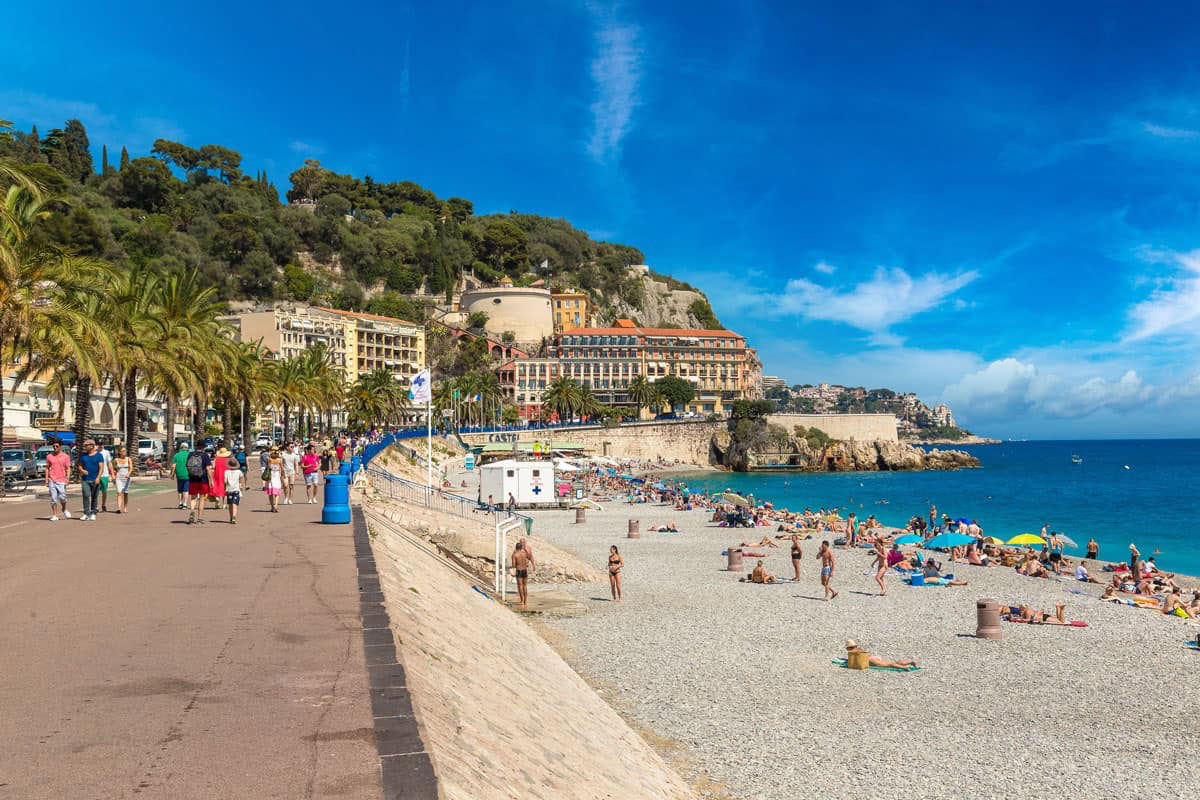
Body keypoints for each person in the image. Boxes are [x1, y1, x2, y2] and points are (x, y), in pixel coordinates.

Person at [76, 439, 105, 521]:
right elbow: (79, 466)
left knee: (94, 497)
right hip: (85, 479)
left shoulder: (99, 455)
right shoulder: (83, 456)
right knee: (86, 495)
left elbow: (101, 468)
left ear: (92, 446)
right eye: (85, 445)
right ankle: (86, 513)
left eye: (87, 445)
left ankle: (93, 513)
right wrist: (82, 470)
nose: (85, 447)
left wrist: (98, 477)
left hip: (95, 479)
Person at [44, 439, 72, 521]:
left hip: (61, 480)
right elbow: (47, 468)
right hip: (52, 479)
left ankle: (64, 509)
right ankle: (55, 515)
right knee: (53, 498)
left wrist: (67, 478)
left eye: (57, 446)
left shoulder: (65, 457)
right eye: (54, 446)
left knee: (62, 497)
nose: (55, 448)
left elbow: (68, 468)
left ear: (60, 447)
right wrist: (46, 480)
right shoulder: (49, 456)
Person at [845, 640, 917, 670]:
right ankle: (909, 662)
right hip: (872, 657)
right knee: (893, 662)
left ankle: (905, 668)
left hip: (870, 660)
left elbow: (854, 660)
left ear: (849, 647)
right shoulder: (859, 648)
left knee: (890, 664)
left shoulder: (852, 651)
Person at [185, 445, 213, 525]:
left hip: (192, 479)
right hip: (203, 480)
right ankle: (200, 518)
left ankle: (192, 510)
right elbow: (208, 469)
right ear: (203, 447)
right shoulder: (205, 455)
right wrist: (211, 480)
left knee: (193, 497)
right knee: (202, 498)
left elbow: (187, 466)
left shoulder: (190, 454)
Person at [112, 446, 133, 514]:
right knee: (119, 492)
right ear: (119, 452)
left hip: (127, 479)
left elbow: (131, 468)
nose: (125, 452)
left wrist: (128, 474)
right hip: (119, 478)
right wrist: (113, 475)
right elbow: (113, 468)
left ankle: (125, 507)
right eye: (123, 451)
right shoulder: (116, 460)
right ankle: (119, 508)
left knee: (126, 493)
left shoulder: (128, 459)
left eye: (125, 451)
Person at [512, 541, 532, 606]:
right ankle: (525, 602)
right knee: (525, 586)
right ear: (521, 548)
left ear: (515, 548)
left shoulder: (515, 555)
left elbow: (514, 565)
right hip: (525, 570)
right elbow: (528, 560)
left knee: (520, 586)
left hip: (519, 570)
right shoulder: (524, 553)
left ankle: (522, 600)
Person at [173, 443, 192, 509]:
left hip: (179, 474)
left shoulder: (176, 455)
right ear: (187, 448)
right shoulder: (189, 455)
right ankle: (185, 504)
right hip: (187, 474)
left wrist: (172, 474)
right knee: (186, 490)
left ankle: (180, 503)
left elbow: (173, 466)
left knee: (180, 490)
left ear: (180, 448)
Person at [224, 456, 243, 524]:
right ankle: (234, 516)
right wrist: (240, 485)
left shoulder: (226, 472)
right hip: (236, 490)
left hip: (229, 490)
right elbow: (241, 479)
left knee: (230, 504)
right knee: (235, 504)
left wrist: (225, 487)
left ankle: (231, 517)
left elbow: (225, 481)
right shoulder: (239, 471)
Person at [98, 443, 114, 512]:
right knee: (95, 491)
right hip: (96, 475)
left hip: (105, 474)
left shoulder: (106, 452)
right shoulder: (94, 452)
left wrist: (112, 473)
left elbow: (109, 463)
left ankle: (103, 505)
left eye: (101, 444)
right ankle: (95, 506)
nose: (100, 445)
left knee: (104, 491)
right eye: (98, 444)